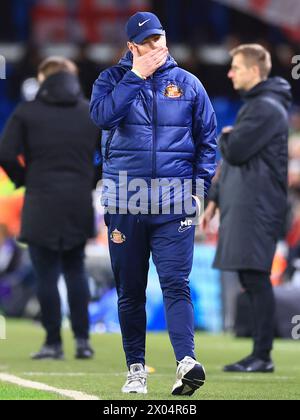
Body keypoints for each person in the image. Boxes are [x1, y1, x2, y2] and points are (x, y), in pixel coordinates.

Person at [90, 12, 217, 395]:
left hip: (173, 204)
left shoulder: (189, 84)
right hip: (125, 203)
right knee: (130, 291)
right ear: (131, 47)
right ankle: (136, 370)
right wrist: (135, 77)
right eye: (147, 42)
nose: (156, 46)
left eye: (159, 38)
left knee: (176, 284)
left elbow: (207, 140)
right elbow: (102, 117)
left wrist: (199, 191)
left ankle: (187, 362)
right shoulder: (110, 80)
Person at [0, 57, 101, 360]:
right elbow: (109, 153)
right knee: (75, 269)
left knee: (45, 273)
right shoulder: (89, 112)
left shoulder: (28, 112)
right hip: (78, 200)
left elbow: (5, 152)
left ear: (44, 78)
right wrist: (89, 179)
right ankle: (83, 341)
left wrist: (24, 179)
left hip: (40, 200)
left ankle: (53, 342)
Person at [202, 44, 292, 373]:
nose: (230, 73)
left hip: (258, 205)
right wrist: (215, 197)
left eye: (236, 67)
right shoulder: (257, 105)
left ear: (254, 71)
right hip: (246, 203)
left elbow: (235, 150)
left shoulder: (266, 107)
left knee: (255, 277)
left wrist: (226, 136)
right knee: (250, 276)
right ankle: (259, 352)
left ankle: (262, 355)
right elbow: (234, 158)